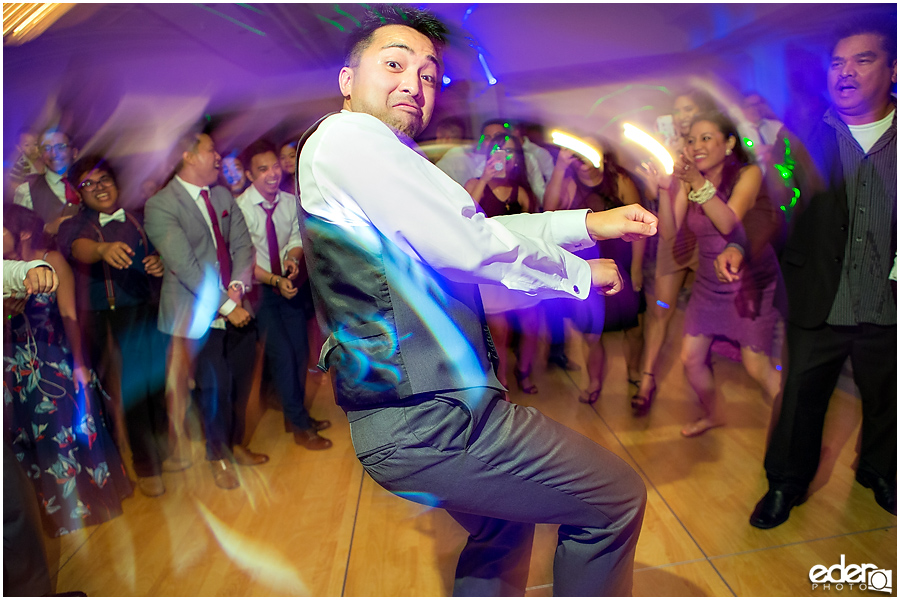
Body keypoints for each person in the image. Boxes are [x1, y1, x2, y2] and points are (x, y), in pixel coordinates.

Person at [296, 7, 656, 595]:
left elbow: (477, 235)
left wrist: (588, 222)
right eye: (395, 64)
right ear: (347, 79)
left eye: (430, 75)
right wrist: (578, 274)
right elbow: (472, 247)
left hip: (417, 416)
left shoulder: (375, 157)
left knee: (503, 530)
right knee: (614, 499)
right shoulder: (350, 138)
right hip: (433, 420)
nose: (414, 84)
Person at [745, 19, 897, 528]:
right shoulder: (803, 136)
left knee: (887, 399)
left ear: (893, 70)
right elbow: (776, 204)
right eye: (837, 63)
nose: (846, 73)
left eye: (863, 60)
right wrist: (742, 250)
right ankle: (785, 484)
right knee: (800, 404)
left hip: (889, 302)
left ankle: (879, 470)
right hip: (818, 299)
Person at [648, 111, 784, 437]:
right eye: (691, 139)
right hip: (710, 282)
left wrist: (696, 182)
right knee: (691, 358)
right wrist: (664, 191)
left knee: (756, 366)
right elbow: (668, 232)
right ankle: (714, 413)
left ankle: (793, 433)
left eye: (707, 138)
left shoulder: (748, 175)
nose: (697, 145)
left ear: (729, 143)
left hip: (748, 280)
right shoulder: (687, 180)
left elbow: (729, 223)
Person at [144, 130, 266, 490]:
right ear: (187, 155)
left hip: (236, 304)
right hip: (196, 314)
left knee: (241, 384)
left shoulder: (222, 195)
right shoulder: (161, 206)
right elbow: (185, 267)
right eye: (211, 150)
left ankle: (236, 443)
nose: (218, 157)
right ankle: (218, 458)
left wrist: (239, 288)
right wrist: (227, 305)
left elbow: (243, 246)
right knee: (215, 387)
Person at [3, 204, 133, 537]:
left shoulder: (53, 260)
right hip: (14, 367)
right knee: (31, 440)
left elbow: (69, 316)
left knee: (63, 434)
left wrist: (79, 364)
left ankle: (87, 505)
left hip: (50, 362)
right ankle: (54, 515)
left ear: (24, 233)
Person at [57, 155, 174, 497]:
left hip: (146, 311)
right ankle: (144, 464)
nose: (99, 188)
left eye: (104, 179)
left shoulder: (138, 218)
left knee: (155, 385)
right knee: (129, 392)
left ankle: (161, 450)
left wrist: (159, 262)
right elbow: (79, 249)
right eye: (88, 184)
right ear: (79, 193)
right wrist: (102, 248)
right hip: (103, 319)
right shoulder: (74, 224)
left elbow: (159, 251)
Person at [235, 140, 332, 449]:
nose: (273, 174)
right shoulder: (240, 209)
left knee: (301, 353)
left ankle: (297, 415)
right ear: (250, 175)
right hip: (260, 293)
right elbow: (245, 258)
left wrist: (291, 260)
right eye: (263, 170)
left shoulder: (289, 202)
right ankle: (300, 425)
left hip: (288, 286)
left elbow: (295, 237)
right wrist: (276, 280)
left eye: (275, 166)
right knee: (283, 357)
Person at [631, 88, 718, 414]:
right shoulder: (667, 149)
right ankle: (647, 380)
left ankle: (704, 380)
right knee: (661, 311)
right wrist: (658, 187)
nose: (682, 116)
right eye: (678, 110)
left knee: (709, 314)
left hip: (708, 238)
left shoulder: (710, 147)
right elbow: (667, 210)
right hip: (677, 240)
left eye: (689, 108)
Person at [544, 137, 645, 405]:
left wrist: (636, 268)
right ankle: (595, 381)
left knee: (632, 328)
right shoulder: (568, 181)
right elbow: (548, 210)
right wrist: (560, 167)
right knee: (591, 332)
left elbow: (638, 227)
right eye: (576, 153)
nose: (583, 158)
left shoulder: (619, 180)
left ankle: (635, 374)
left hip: (621, 261)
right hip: (587, 266)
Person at [464, 132, 542, 394]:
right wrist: (485, 179)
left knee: (532, 325)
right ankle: (503, 381)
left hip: (519, 266)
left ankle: (525, 372)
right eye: (498, 150)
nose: (503, 156)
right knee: (500, 332)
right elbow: (462, 218)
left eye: (509, 152)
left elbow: (534, 229)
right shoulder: (475, 182)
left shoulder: (522, 191)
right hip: (490, 272)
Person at [13, 128, 81, 236]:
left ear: (74, 152)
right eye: (47, 148)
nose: (54, 154)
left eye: (60, 147)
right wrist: (46, 229)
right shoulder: (27, 190)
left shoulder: (89, 183)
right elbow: (18, 234)